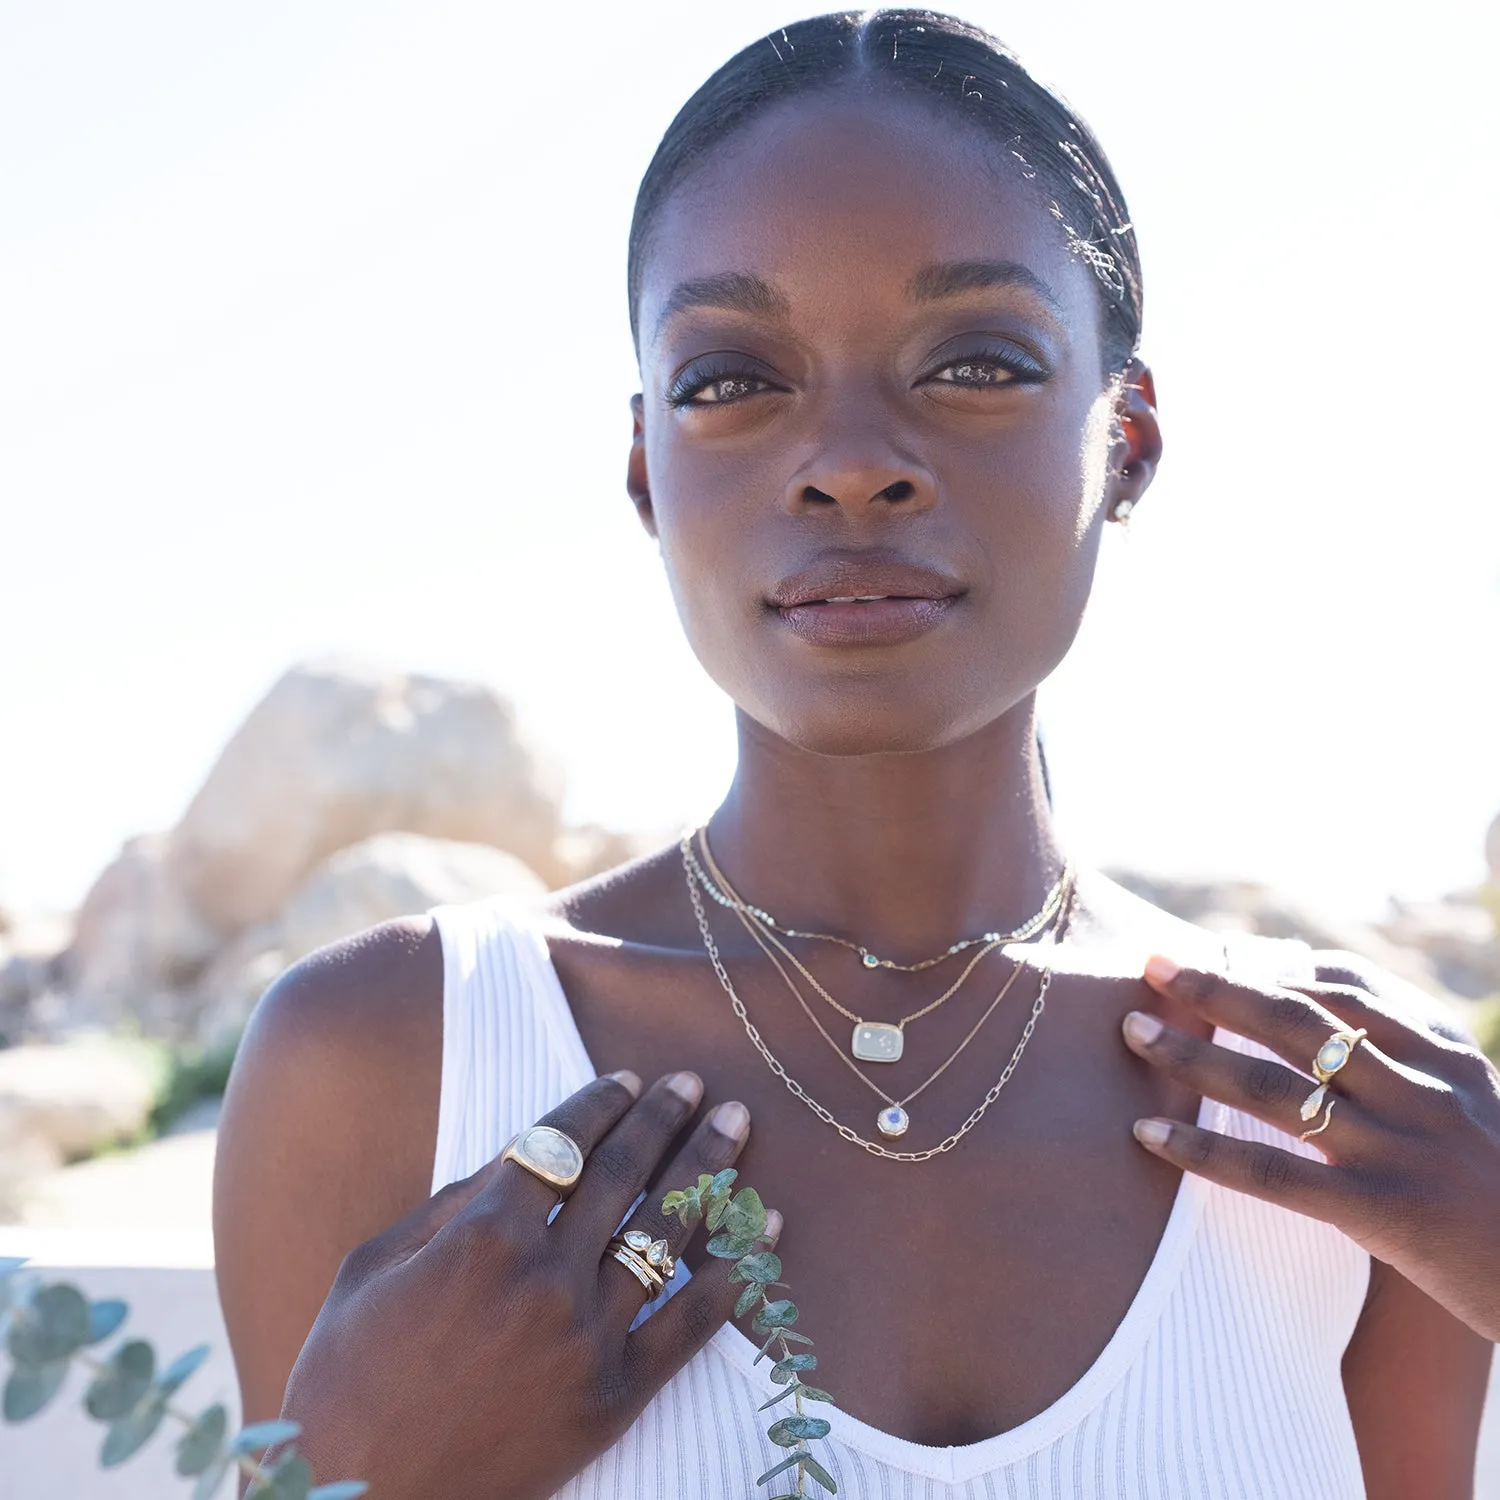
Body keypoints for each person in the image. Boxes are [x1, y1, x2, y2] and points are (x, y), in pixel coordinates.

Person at [214, 12, 1500, 1498]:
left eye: (976, 361)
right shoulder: (388, 1057)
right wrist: (356, 1482)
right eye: (729, 380)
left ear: (1127, 438)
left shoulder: (1343, 1114)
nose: (848, 458)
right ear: (649, 469)